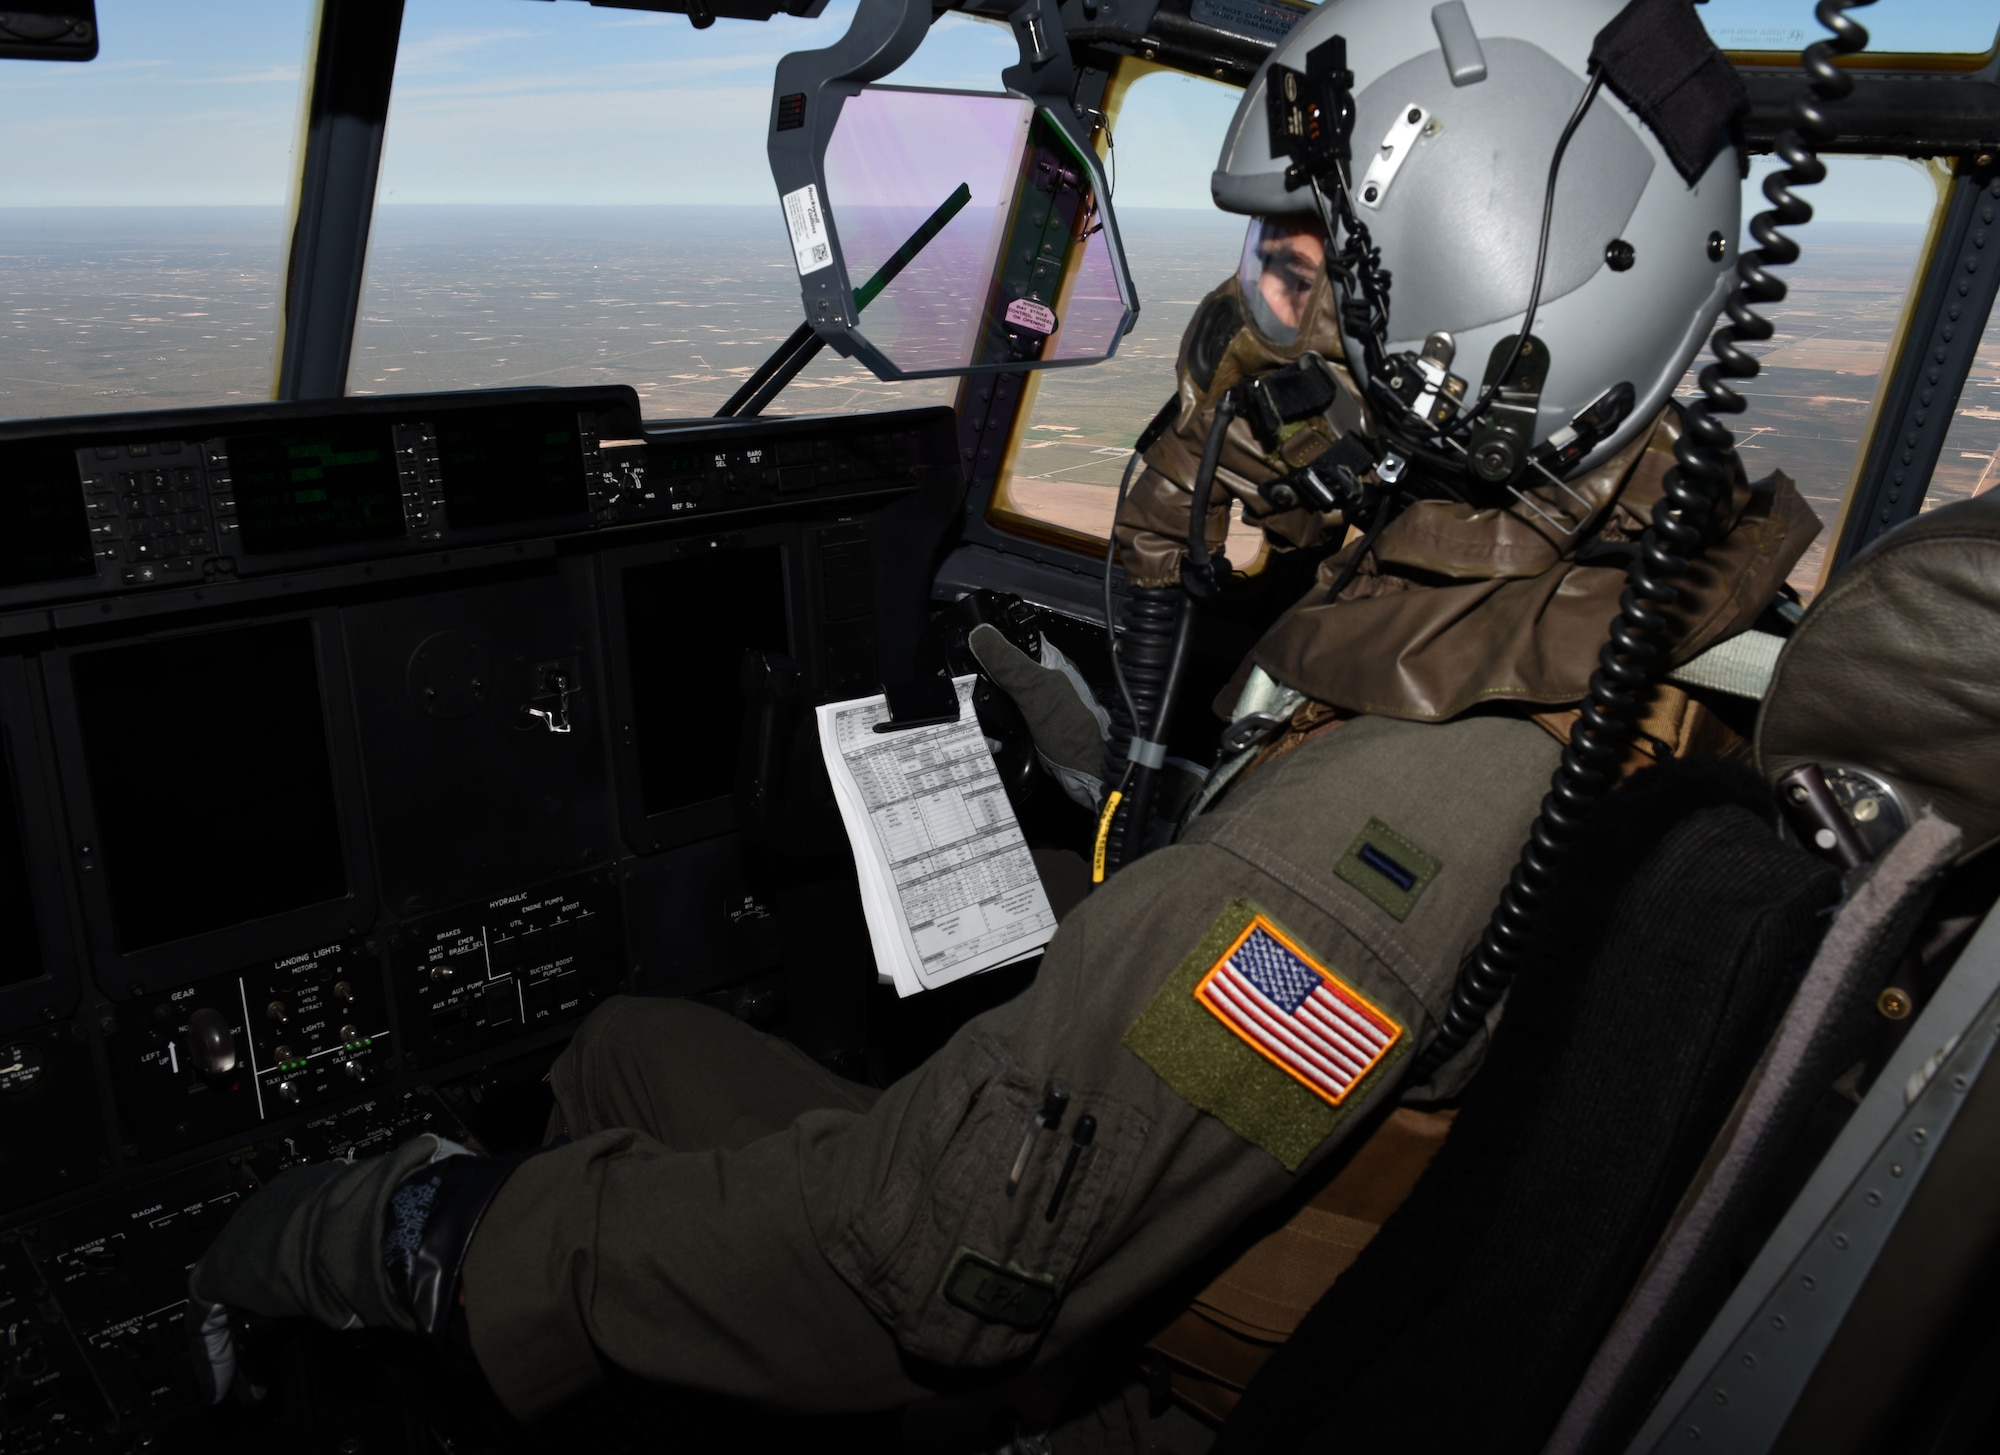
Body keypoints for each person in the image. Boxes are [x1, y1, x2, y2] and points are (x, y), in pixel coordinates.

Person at [187, 0, 1821, 1442]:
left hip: (1140, 1372)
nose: (1252, 322)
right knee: (621, 1045)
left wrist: (407, 1235)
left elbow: (911, 1278)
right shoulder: (1648, 612)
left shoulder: (1385, 835)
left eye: (1297, 269)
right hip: (1221, 1245)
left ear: (1472, 321)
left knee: (537, 1197)